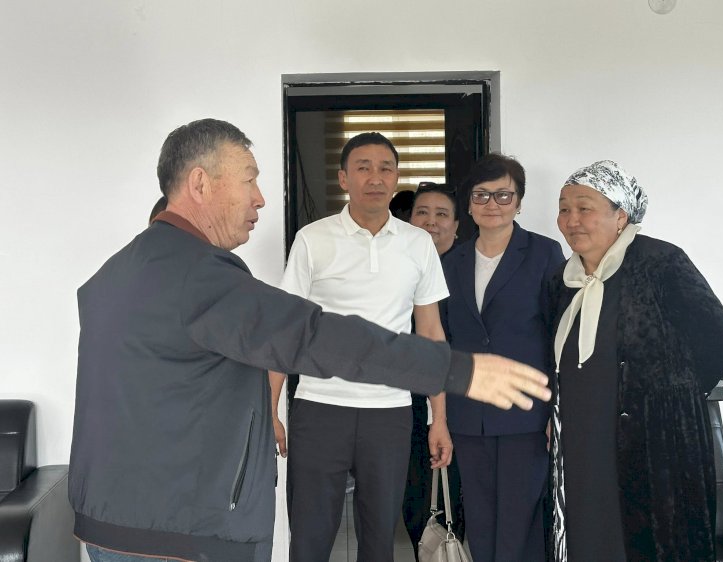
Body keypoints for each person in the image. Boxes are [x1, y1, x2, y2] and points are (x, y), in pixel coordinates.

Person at [68, 119, 553, 562]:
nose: (260, 198)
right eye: (249, 180)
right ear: (200, 183)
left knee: (378, 535)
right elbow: (309, 335)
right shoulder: (203, 274)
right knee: (312, 534)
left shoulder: (117, 272)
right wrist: (458, 369)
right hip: (178, 534)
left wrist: (436, 409)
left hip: (119, 522)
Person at [269, 133, 457, 562]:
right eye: (363, 168)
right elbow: (285, 330)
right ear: (343, 178)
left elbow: (431, 334)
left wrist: (439, 418)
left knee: (379, 540)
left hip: (389, 412)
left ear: (396, 178)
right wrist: (272, 409)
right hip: (320, 407)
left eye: (385, 168)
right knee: (310, 537)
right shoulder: (313, 239)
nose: (376, 177)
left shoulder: (417, 243)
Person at [549, 159, 723, 562]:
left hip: (655, 439)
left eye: (584, 208)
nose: (571, 220)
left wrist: (674, 396)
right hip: (581, 434)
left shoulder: (661, 262)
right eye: (564, 208)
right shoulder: (561, 280)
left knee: (649, 539)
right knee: (588, 531)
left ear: (620, 216)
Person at [440, 154, 565, 562]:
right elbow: (442, 340)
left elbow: (560, 337)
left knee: (521, 523)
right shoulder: (451, 262)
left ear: (519, 202)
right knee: (479, 520)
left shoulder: (545, 254)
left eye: (503, 195)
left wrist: (556, 412)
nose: (492, 204)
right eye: (481, 195)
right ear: (468, 203)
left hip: (526, 413)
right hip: (467, 414)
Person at [401, 181, 465, 557]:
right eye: (422, 213)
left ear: (456, 226)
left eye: (442, 214)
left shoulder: (469, 273)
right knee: (416, 503)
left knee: (457, 505)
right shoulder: (397, 268)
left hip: (461, 407)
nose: (431, 221)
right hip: (405, 407)